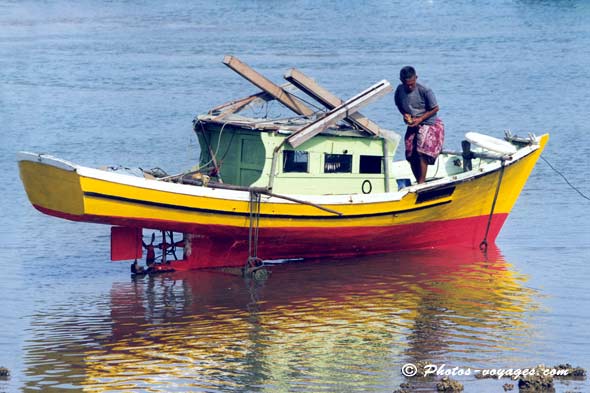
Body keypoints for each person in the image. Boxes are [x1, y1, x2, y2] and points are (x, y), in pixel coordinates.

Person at [394, 66, 444, 184]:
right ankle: (418, 180)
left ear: (416, 78)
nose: (409, 87)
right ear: (401, 80)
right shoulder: (400, 90)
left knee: (421, 152)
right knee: (411, 153)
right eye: (407, 84)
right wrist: (405, 114)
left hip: (428, 123)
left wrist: (420, 119)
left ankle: (422, 182)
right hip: (413, 123)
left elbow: (435, 108)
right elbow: (399, 104)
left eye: (412, 84)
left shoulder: (425, 90)